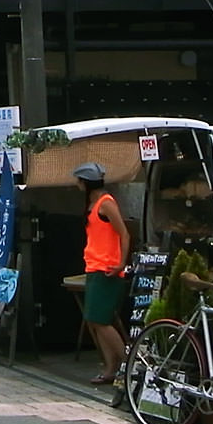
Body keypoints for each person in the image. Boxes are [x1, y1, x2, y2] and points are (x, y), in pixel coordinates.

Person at [75, 163, 131, 385]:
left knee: (102, 321)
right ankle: (110, 368)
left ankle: (127, 363)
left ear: (86, 183)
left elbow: (124, 234)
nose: (77, 185)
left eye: (79, 181)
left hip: (107, 269)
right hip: (94, 266)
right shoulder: (93, 203)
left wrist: (120, 263)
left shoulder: (105, 203)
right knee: (95, 321)